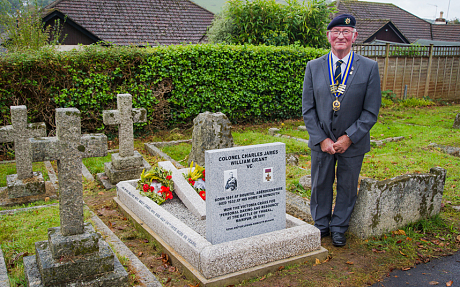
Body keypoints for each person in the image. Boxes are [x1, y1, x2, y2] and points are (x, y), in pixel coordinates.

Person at [302, 14, 381, 247]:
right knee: (320, 184)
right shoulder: (313, 67)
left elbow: (371, 111)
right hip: (322, 143)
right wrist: (321, 139)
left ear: (354, 37)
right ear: (328, 36)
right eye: (336, 32)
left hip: (353, 143)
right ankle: (321, 225)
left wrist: (349, 137)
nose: (341, 36)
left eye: (346, 32)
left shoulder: (369, 68)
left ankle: (339, 227)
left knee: (347, 185)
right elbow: (308, 109)